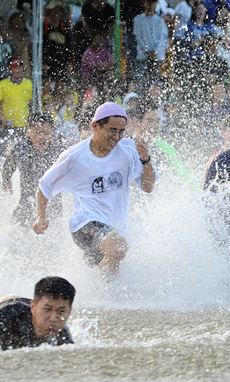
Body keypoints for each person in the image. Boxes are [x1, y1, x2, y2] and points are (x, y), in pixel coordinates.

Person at [33, 102, 156, 277]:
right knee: (118, 246)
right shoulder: (75, 156)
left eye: (121, 132)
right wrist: (41, 216)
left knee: (108, 263)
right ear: (95, 126)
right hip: (84, 224)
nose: (116, 137)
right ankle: (107, 296)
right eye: (112, 130)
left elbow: (148, 187)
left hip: (113, 225)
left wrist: (146, 161)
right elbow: (45, 185)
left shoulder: (129, 150)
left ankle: (101, 299)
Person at [2, 113, 64, 226]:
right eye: (37, 132)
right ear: (28, 132)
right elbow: (7, 168)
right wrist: (6, 182)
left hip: (52, 204)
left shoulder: (59, 151)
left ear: (52, 132)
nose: (41, 136)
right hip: (27, 202)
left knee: (54, 229)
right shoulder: (21, 149)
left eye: (45, 132)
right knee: (18, 229)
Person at [0, 276, 75, 351]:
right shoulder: (8, 316)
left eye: (61, 311)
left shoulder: (63, 336)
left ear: (69, 311)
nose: (53, 318)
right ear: (33, 307)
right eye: (47, 310)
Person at [0, 58, 32, 153]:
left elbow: (31, 103)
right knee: (5, 153)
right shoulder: (3, 84)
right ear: (10, 70)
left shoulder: (28, 84)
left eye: (20, 67)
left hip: (24, 125)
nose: (18, 69)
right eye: (15, 67)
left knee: (22, 152)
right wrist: (3, 119)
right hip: (8, 125)